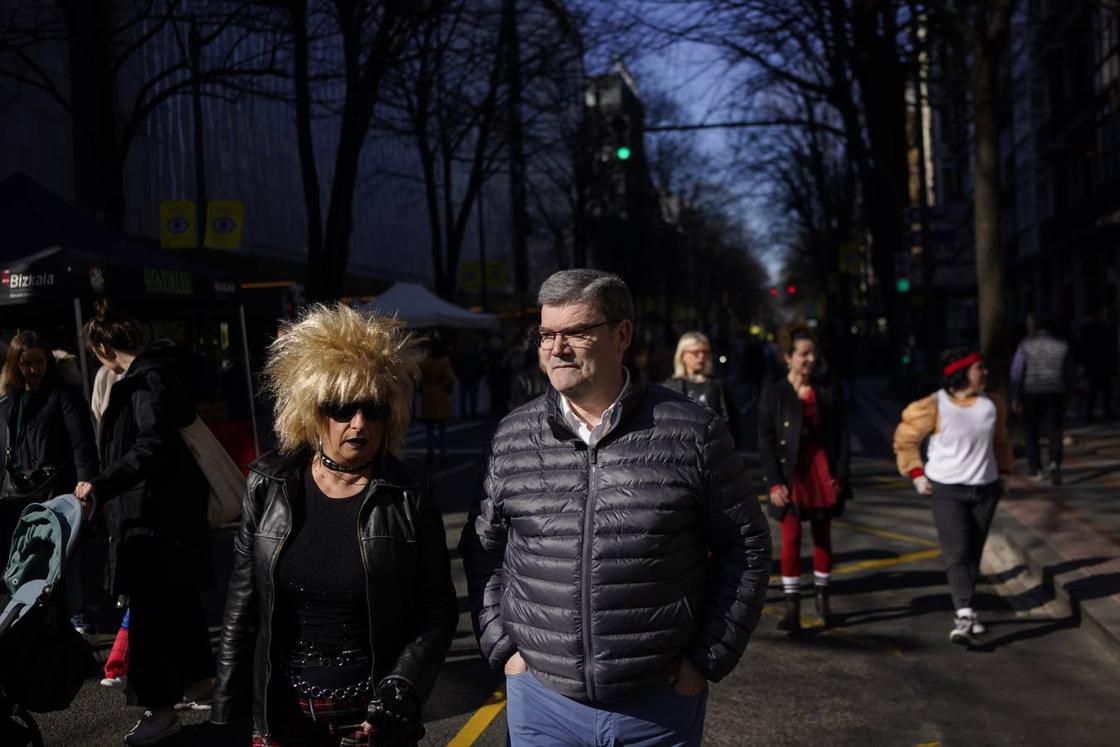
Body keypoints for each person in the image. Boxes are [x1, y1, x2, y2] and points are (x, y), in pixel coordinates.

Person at [459, 269, 771, 746]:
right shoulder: (513, 436)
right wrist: (504, 648)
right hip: (542, 701)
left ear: (621, 335)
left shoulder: (693, 431)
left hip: (658, 703)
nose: (556, 347)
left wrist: (706, 659)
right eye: (546, 334)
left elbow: (745, 547)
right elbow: (484, 549)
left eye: (576, 332)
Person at [211, 304, 457, 747]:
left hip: (373, 718)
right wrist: (230, 710)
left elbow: (436, 610)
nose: (358, 423)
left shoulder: (410, 494)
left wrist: (399, 692)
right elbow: (242, 604)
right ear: (311, 411)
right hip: (283, 714)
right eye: (341, 408)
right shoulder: (268, 484)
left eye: (373, 408)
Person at [73, 300, 215, 745]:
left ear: (102, 347)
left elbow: (150, 446)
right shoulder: (163, 371)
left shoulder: (143, 380)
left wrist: (102, 483)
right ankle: (198, 683)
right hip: (170, 519)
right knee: (178, 608)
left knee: (152, 621)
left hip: (151, 520)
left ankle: (159, 710)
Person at [894, 348, 1013, 645]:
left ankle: (967, 609)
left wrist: (1005, 474)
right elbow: (905, 439)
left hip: (986, 489)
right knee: (957, 551)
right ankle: (964, 612)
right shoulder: (933, 405)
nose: (984, 372)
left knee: (973, 552)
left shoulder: (992, 404)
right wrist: (917, 475)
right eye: (979, 368)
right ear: (962, 373)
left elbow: (1001, 442)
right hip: (947, 490)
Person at [758, 322, 851, 632]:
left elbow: (841, 435)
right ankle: (792, 606)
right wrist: (773, 482)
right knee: (792, 538)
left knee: (823, 536)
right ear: (788, 357)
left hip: (822, 470)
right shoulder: (774, 392)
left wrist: (839, 474)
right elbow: (766, 441)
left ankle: (823, 601)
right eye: (803, 354)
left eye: (813, 354)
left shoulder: (827, 389)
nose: (810, 360)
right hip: (790, 473)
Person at [0, 331, 98, 565]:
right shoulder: (9, 403)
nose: (34, 370)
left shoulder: (65, 396)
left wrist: (86, 488)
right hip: (16, 499)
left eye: (39, 362)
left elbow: (82, 445)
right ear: (16, 364)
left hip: (57, 494)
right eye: (26, 364)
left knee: (59, 568)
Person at [1010, 312, 1073, 485]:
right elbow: (1068, 372)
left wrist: (1015, 396)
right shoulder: (1062, 345)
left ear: (1034, 326)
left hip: (1032, 392)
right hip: (1056, 391)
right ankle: (1054, 463)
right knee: (1055, 429)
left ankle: (1035, 468)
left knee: (1031, 431)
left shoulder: (1026, 345)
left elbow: (1017, 371)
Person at [663, 331, 739, 443]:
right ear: (682, 355)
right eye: (695, 352)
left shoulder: (717, 385)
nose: (701, 356)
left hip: (713, 448)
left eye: (705, 352)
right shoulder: (670, 386)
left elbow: (731, 421)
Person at [418, 333, 455, 465]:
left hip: (427, 396)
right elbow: (449, 379)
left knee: (429, 428)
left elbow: (417, 377)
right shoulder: (444, 361)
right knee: (442, 428)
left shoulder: (423, 361)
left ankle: (430, 452)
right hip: (441, 396)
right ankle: (443, 454)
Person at [506, 344, 549, 410]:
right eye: (545, 349)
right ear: (538, 351)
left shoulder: (560, 377)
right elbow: (516, 406)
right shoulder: (523, 380)